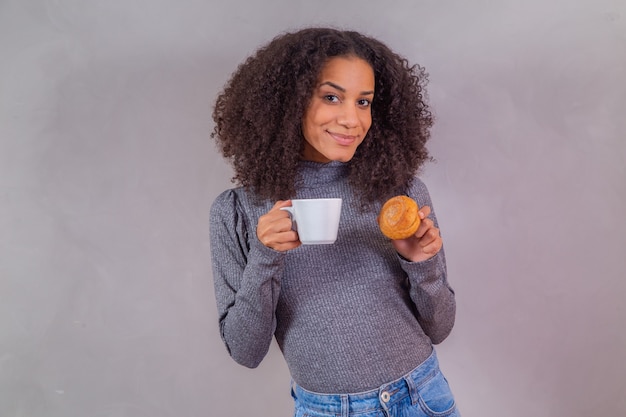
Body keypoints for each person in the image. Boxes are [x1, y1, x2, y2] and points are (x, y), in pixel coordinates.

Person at [209, 27, 460, 417]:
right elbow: (246, 351)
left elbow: (440, 328)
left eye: (364, 102)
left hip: (421, 396)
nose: (352, 120)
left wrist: (421, 263)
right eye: (331, 97)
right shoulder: (237, 212)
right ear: (287, 103)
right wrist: (265, 257)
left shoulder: (400, 193)